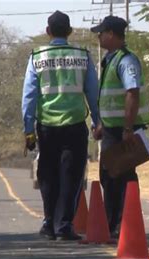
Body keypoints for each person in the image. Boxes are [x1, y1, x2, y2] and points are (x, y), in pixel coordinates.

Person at [22, 11, 99, 241]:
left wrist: (28, 130)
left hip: (46, 127)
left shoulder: (37, 56)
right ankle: (64, 225)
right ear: (70, 31)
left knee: (48, 175)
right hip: (75, 126)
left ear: (48, 32)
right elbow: (93, 93)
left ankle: (48, 223)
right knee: (71, 176)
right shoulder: (82, 56)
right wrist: (97, 121)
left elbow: (29, 96)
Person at [91, 16, 149, 238]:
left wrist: (127, 128)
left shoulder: (126, 61)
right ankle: (116, 223)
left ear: (111, 34)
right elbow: (108, 98)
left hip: (123, 131)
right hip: (111, 129)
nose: (98, 37)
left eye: (101, 32)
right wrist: (100, 125)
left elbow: (132, 93)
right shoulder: (110, 60)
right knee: (110, 177)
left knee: (120, 178)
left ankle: (120, 224)